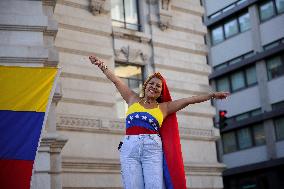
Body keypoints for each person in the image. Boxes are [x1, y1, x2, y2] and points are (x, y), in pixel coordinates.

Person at [89, 55, 230, 189]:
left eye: (158, 86)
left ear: (161, 92)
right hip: (129, 148)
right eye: (152, 83)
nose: (154, 87)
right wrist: (101, 65)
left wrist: (212, 95)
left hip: (152, 149)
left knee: (154, 186)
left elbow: (189, 100)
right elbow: (116, 80)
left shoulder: (164, 107)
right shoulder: (132, 98)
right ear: (145, 86)